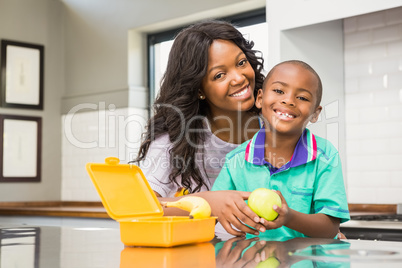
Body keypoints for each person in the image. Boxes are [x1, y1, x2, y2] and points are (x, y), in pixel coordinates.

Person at [132, 20, 267, 236]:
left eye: (241, 63)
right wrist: (206, 202)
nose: (239, 78)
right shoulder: (176, 138)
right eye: (219, 75)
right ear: (198, 89)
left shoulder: (276, 124)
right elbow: (140, 205)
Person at [212, 60, 350, 238]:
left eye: (302, 97)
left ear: (315, 113)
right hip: (252, 261)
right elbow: (212, 211)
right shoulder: (235, 160)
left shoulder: (325, 155)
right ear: (260, 99)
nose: (288, 100)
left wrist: (289, 217)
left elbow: (330, 228)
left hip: (304, 263)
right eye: (279, 91)